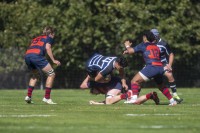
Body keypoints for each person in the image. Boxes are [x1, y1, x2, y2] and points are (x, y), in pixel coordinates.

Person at [123, 30, 177, 106]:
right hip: (160, 67)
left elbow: (131, 51)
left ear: (145, 37)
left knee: (134, 81)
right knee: (161, 85)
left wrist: (127, 46)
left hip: (152, 67)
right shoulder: (156, 46)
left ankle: (134, 99)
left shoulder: (143, 44)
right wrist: (128, 51)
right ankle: (172, 101)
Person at [24, 26, 61, 104]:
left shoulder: (36, 38)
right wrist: (53, 60)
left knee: (35, 75)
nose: (54, 36)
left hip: (27, 56)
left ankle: (28, 96)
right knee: (51, 74)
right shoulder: (49, 38)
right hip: (36, 56)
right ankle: (47, 98)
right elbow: (48, 47)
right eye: (53, 34)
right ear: (51, 33)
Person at [151, 29, 183, 103]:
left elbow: (171, 54)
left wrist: (169, 65)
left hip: (163, 64)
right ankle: (134, 97)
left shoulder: (163, 43)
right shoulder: (149, 43)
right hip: (152, 65)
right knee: (140, 79)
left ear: (157, 35)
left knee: (169, 75)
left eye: (153, 36)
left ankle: (175, 95)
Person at [80, 75, 160, 105]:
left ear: (94, 88)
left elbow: (82, 86)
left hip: (128, 87)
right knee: (135, 102)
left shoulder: (96, 83)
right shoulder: (103, 88)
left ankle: (125, 95)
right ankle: (150, 95)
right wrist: (97, 103)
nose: (97, 94)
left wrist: (88, 76)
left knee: (133, 102)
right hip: (131, 87)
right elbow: (111, 100)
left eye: (95, 93)